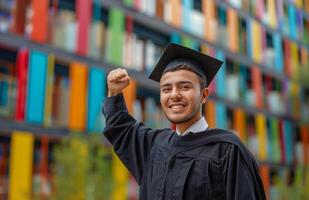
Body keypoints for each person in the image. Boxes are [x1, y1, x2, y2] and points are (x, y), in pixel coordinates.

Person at [103, 43, 266, 200]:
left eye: (184, 87)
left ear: (204, 95)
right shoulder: (154, 146)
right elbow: (120, 129)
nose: (174, 95)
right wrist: (114, 92)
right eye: (166, 89)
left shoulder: (228, 151)